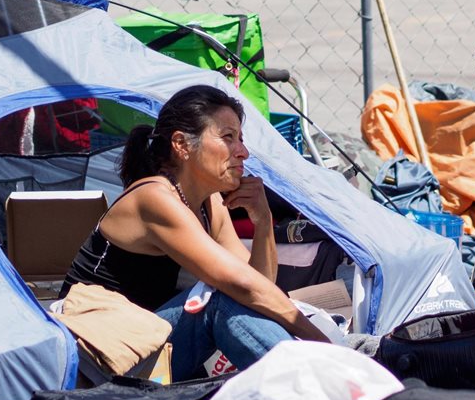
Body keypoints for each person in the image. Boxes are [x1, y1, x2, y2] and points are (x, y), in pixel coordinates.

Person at [61, 84, 329, 381]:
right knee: (214, 300)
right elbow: (244, 287)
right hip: (99, 357)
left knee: (226, 298)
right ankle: (322, 380)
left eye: (240, 139)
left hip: (146, 344)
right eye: (228, 138)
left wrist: (263, 221)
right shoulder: (154, 198)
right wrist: (324, 345)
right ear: (182, 144)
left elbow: (259, 286)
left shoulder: (209, 203)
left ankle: (318, 378)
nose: (243, 152)